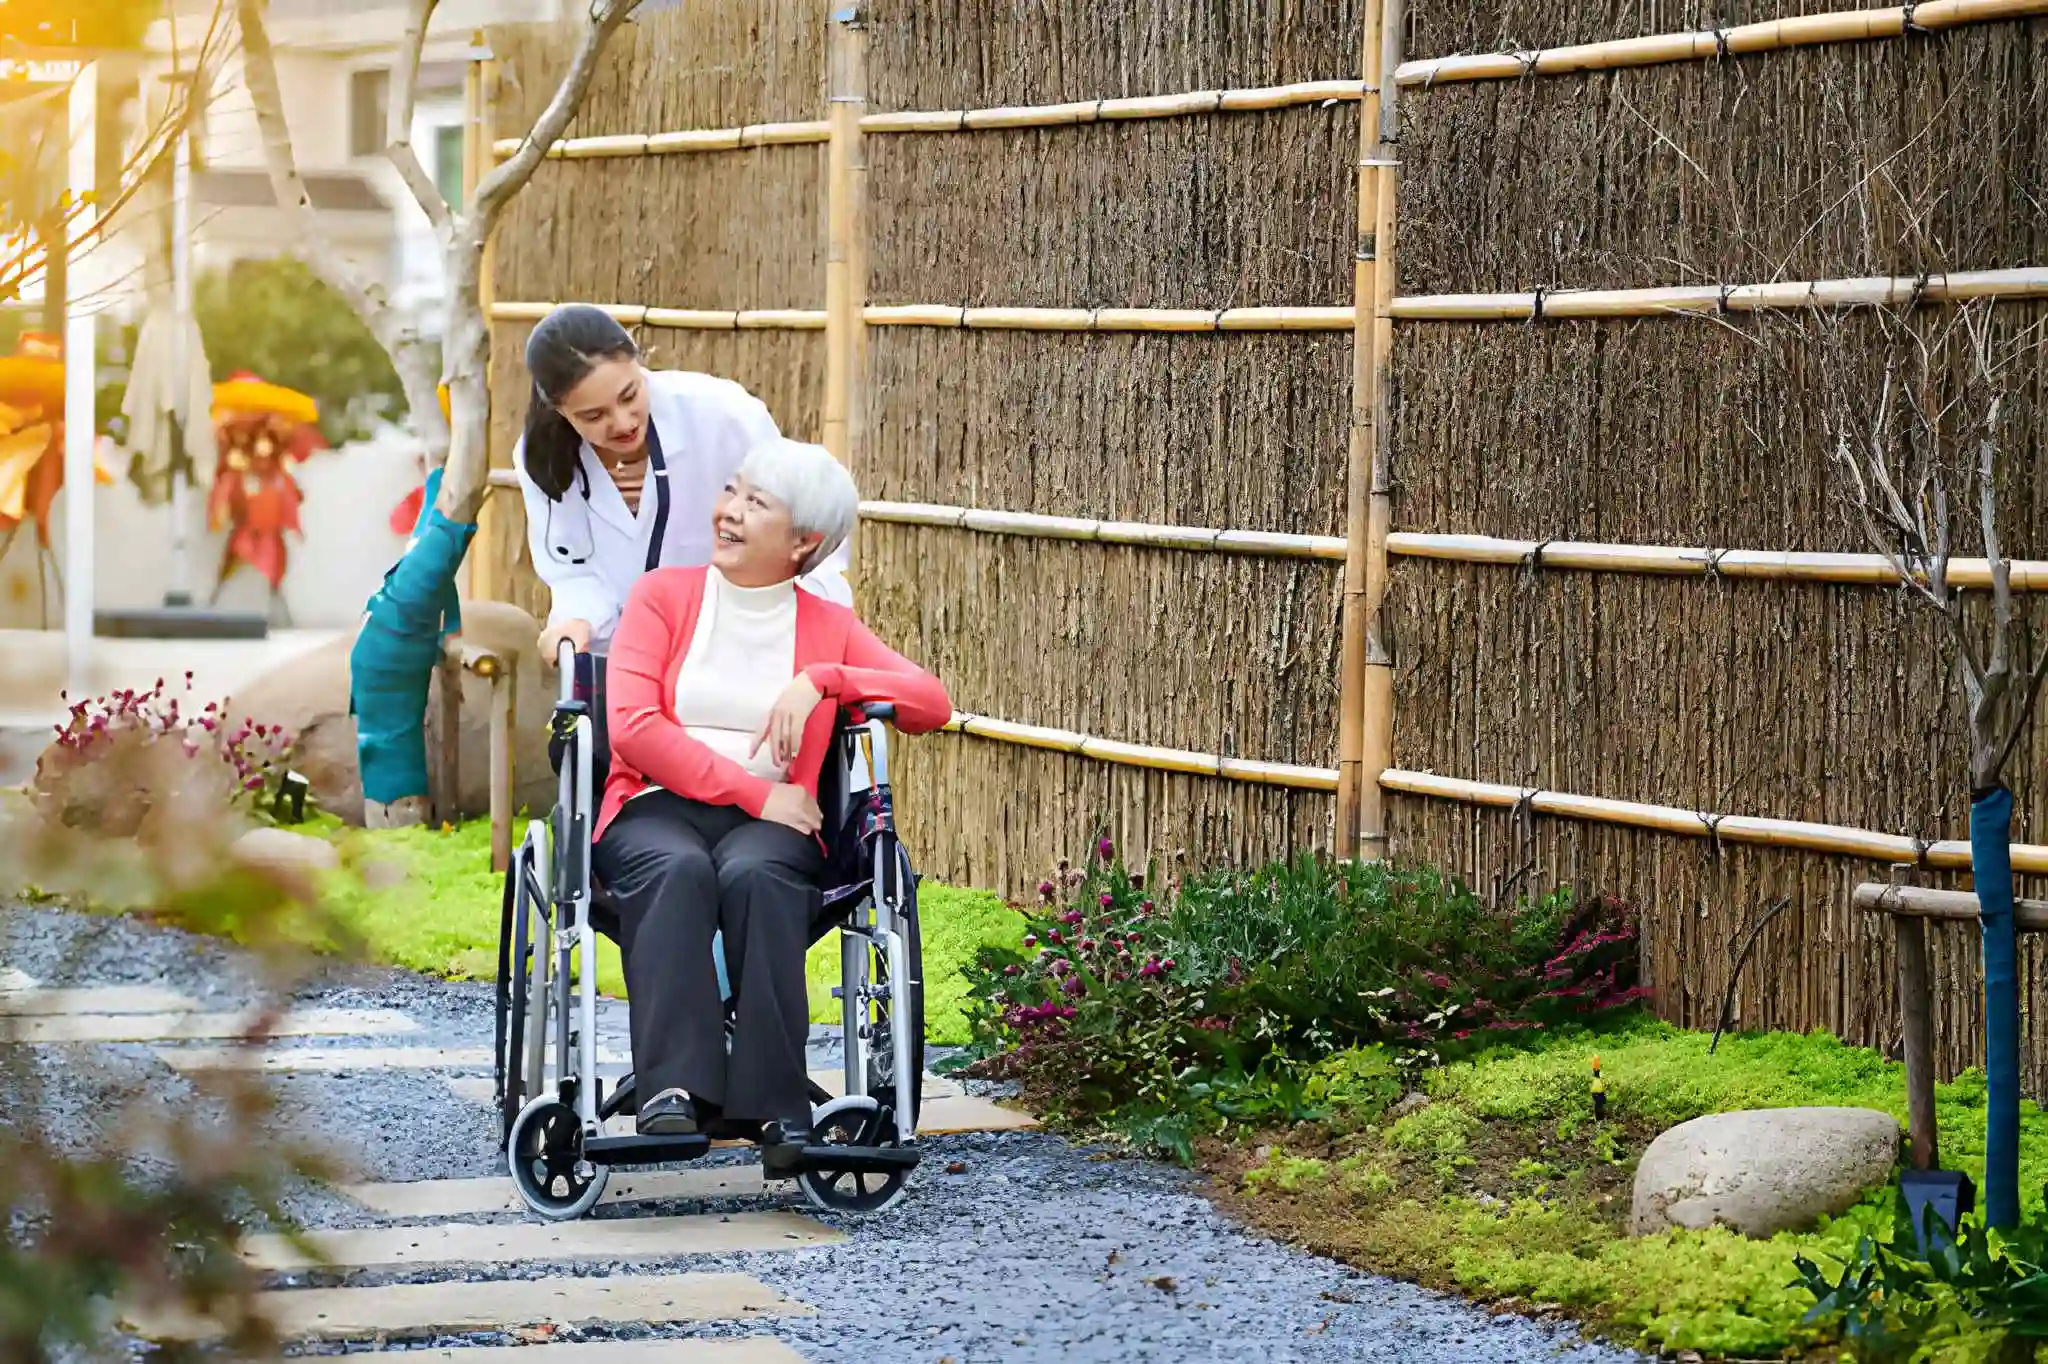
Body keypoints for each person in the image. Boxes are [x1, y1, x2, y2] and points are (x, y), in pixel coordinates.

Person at [591, 437, 948, 1166]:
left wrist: (825, 677)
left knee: (761, 878)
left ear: (802, 541)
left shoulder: (828, 626)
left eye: (757, 504)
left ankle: (778, 1110)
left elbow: (931, 702)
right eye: (733, 491)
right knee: (676, 869)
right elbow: (632, 728)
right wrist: (755, 794)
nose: (729, 512)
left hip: (777, 827)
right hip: (658, 806)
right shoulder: (663, 597)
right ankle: (672, 1093)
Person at [513, 303, 852, 784]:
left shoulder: (723, 413)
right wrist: (576, 620)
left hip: (740, 648)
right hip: (632, 667)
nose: (623, 421)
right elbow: (572, 570)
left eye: (630, 395)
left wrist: (803, 624)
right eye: (592, 416)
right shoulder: (541, 457)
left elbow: (804, 523)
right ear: (559, 411)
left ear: (637, 357)